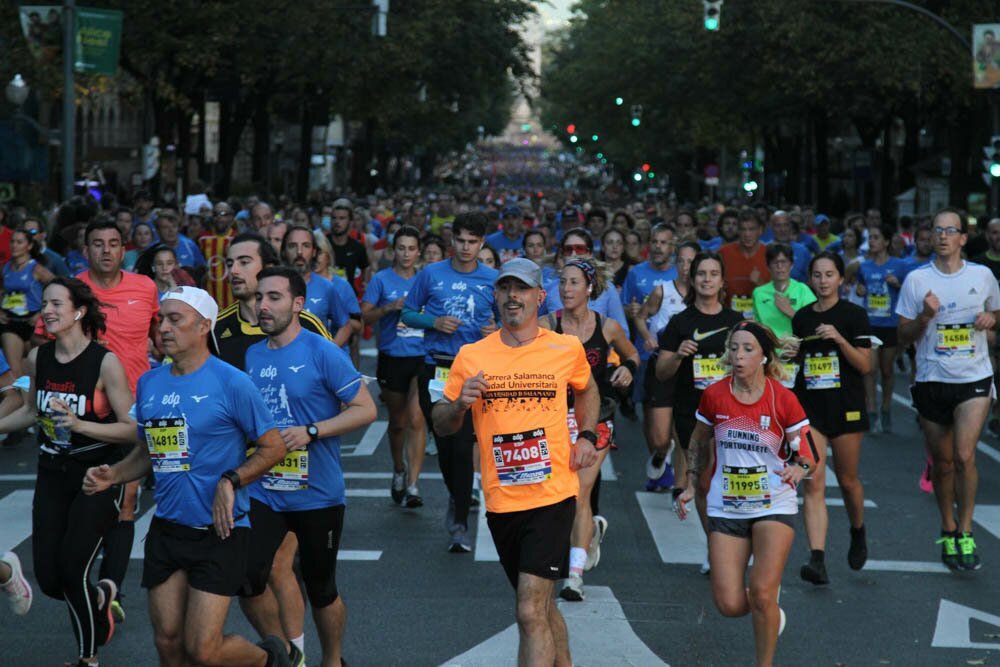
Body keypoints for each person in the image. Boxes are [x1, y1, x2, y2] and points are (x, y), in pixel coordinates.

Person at [82, 286, 293, 667]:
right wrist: (111, 475)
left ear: (203, 326)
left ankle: (270, 658)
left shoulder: (232, 382)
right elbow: (149, 453)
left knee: (204, 650)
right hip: (167, 529)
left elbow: (274, 447)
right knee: (167, 642)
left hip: (220, 533)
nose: (163, 327)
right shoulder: (150, 382)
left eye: (174, 319)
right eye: (160, 319)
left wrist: (231, 480)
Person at [432, 257, 600, 666]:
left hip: (553, 494)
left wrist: (586, 435)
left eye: (522, 289)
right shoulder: (472, 355)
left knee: (528, 610)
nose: (513, 297)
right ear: (495, 296)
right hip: (502, 500)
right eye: (505, 288)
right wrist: (458, 405)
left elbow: (589, 390)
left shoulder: (566, 348)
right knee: (540, 608)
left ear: (540, 297)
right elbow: (440, 422)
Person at [239, 267, 376, 667]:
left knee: (321, 588)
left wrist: (312, 431)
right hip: (265, 489)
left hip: (317, 492)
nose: (263, 306)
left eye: (274, 298)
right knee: (248, 579)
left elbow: (365, 409)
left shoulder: (323, 351)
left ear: (298, 304)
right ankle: (285, 653)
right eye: (260, 297)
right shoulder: (252, 354)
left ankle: (332, 660)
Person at [0, 277, 136, 666]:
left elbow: (130, 427)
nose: (47, 311)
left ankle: (87, 659)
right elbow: (30, 411)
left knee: (74, 568)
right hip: (51, 471)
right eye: (44, 304)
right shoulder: (37, 359)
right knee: (50, 577)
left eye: (57, 304)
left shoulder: (104, 362)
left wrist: (79, 425)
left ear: (78, 311)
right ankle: (98, 599)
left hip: (96, 474)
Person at [33, 219, 161, 623]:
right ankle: (82, 580)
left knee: (126, 500)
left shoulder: (145, 288)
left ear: (125, 250)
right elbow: (43, 341)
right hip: (83, 409)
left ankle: (111, 589)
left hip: (135, 407)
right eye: (97, 244)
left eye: (113, 244)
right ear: (85, 250)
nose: (106, 250)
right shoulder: (70, 292)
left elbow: (158, 336)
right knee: (84, 502)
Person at [676, 320, 815, 667]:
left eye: (748, 349)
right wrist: (692, 482)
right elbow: (697, 440)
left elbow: (809, 453)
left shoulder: (783, 398)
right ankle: (768, 611)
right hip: (727, 506)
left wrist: (800, 468)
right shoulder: (715, 394)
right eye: (734, 348)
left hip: (774, 502)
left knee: (764, 592)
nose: (738, 356)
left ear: (764, 356)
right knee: (729, 604)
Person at [897, 207, 1000, 571]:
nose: (942, 236)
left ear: (961, 238)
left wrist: (991, 319)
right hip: (931, 379)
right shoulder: (915, 281)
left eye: (949, 230)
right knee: (942, 464)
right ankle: (948, 525)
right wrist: (925, 317)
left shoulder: (983, 276)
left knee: (964, 455)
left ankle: (967, 531)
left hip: (973, 378)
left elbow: (996, 314)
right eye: (936, 230)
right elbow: (903, 334)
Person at [541, 258, 638, 601]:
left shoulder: (607, 327)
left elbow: (633, 355)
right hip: (553, 419)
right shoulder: (545, 325)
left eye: (573, 283)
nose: (566, 290)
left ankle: (574, 577)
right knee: (559, 495)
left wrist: (627, 368)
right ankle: (588, 533)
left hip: (596, 418)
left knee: (580, 493)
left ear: (590, 289)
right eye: (562, 283)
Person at [402, 212, 498, 552]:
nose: (467, 247)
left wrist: (495, 331)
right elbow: (407, 313)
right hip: (438, 369)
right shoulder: (431, 274)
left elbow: (508, 323)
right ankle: (457, 498)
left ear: (482, 243)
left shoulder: (493, 278)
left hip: (477, 373)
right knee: (446, 443)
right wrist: (434, 321)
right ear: (451, 241)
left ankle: (458, 517)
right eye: (461, 241)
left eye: (473, 242)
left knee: (465, 443)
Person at [655, 251, 743, 573]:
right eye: (701, 274)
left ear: (722, 281)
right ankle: (715, 548)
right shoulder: (681, 323)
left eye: (713, 274)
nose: (707, 279)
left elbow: (757, 365)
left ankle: (734, 542)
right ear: (692, 280)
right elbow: (662, 371)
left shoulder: (736, 322)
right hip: (691, 411)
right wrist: (678, 355)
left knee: (730, 481)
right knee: (704, 484)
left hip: (732, 413)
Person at [792, 252, 872, 585]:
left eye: (829, 275)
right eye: (817, 275)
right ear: (809, 280)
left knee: (849, 480)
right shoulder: (802, 317)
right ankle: (817, 559)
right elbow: (800, 358)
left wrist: (839, 338)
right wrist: (790, 353)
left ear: (840, 278)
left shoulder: (854, 315)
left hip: (846, 406)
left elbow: (865, 365)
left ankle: (857, 531)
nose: (823, 281)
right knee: (813, 480)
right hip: (811, 406)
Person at [362, 225, 427, 507]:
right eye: (401, 248)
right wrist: (390, 307)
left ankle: (413, 484)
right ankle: (398, 469)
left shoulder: (427, 279)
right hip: (392, 357)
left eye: (411, 248)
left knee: (417, 419)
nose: (406, 254)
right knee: (398, 423)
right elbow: (364, 316)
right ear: (392, 251)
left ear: (418, 252)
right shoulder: (381, 280)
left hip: (422, 356)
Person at [634, 241, 698, 491]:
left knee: (684, 433)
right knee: (661, 437)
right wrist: (648, 337)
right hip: (662, 365)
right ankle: (661, 453)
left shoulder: (703, 296)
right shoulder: (662, 291)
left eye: (690, 262)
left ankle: (680, 488)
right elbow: (641, 316)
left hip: (689, 370)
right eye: (681, 261)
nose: (685, 267)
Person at [856, 223, 908, 433]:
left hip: (890, 324)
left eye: (877, 237)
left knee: (887, 370)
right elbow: (859, 286)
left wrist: (898, 284)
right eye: (871, 238)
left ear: (886, 241)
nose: (873, 242)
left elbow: (910, 292)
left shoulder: (899, 265)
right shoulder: (864, 266)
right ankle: (871, 410)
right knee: (870, 370)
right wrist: (860, 290)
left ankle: (886, 407)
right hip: (870, 324)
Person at [282, 225, 361, 349]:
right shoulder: (271, 285)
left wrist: (328, 352)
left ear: (314, 252)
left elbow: (346, 326)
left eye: (306, 246)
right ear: (284, 251)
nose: (299, 252)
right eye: (292, 246)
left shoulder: (326, 287)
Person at [1, 227, 55, 377]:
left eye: (19, 242)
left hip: (33, 321)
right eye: (12, 242)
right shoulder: (5, 268)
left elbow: (58, 288)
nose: (14, 245)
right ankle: (21, 399)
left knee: (36, 369)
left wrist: (42, 312)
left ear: (29, 246)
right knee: (14, 369)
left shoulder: (36, 268)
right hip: (10, 320)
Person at [752, 244, 816, 339]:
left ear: (791, 265)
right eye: (775, 262)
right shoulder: (758, 293)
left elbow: (814, 324)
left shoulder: (803, 290)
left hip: (795, 348)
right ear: (768, 266)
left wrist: (790, 311)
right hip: (769, 349)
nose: (779, 266)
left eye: (784, 262)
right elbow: (756, 326)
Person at [719, 213, 770, 319]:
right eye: (743, 229)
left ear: (760, 230)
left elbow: (777, 296)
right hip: (728, 317)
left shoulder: (769, 254)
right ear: (738, 231)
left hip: (761, 318)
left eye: (751, 229)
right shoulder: (724, 253)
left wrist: (760, 284)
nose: (747, 234)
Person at [199, 202, 237, 309]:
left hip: (232, 301)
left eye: (223, 213)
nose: (219, 217)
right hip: (209, 300)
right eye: (216, 214)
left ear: (231, 217)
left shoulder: (238, 238)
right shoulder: (202, 238)